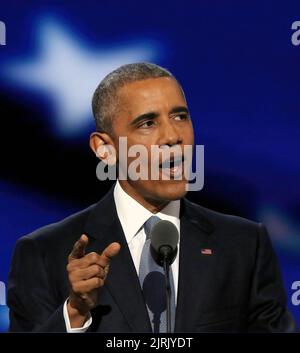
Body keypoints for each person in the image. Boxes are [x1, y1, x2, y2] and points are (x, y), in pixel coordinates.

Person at [7, 63, 297, 333]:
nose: (173, 136)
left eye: (180, 116)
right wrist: (75, 314)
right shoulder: (43, 254)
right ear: (104, 149)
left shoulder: (246, 245)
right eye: (147, 123)